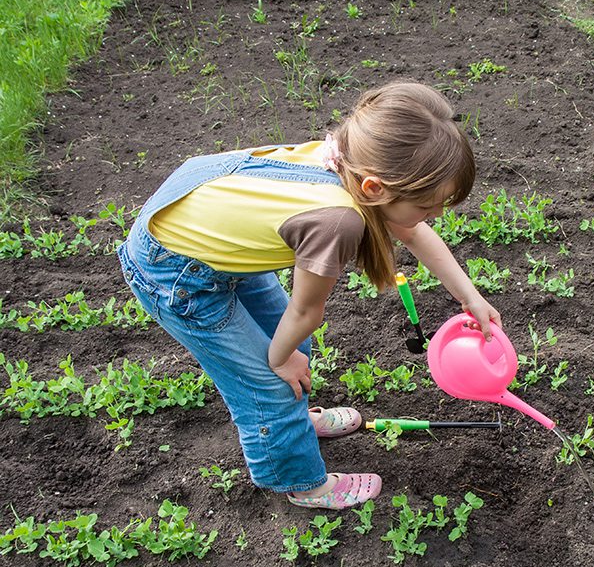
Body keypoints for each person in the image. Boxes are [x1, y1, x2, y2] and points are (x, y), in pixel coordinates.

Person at [117, 82, 502, 510]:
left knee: (291, 344)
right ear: (375, 188)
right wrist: (278, 359)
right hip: (175, 272)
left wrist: (470, 296)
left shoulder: (349, 156)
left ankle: (297, 420)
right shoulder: (338, 222)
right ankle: (302, 483)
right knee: (269, 382)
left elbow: (411, 230)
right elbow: (306, 309)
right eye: (429, 205)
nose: (435, 215)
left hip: (210, 244)